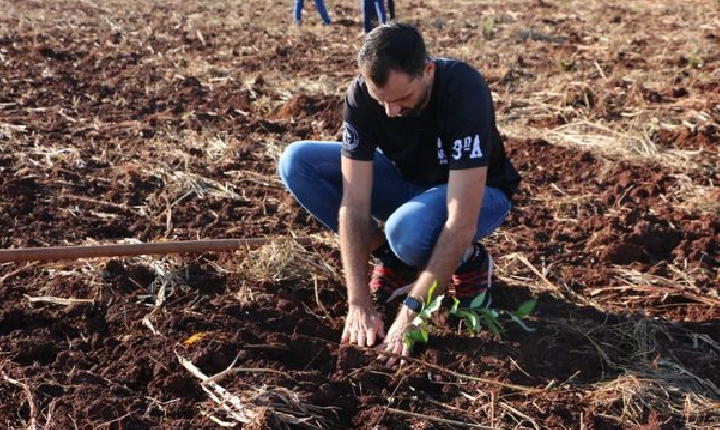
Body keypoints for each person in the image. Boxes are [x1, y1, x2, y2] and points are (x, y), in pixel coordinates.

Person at [278, 23, 520, 366]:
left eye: (403, 99)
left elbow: (460, 218)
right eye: (382, 102)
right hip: (408, 184)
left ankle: (468, 260)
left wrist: (413, 311)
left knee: (407, 230)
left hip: (478, 194)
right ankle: (392, 259)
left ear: (428, 70)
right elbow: (354, 205)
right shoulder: (362, 97)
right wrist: (358, 300)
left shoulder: (463, 90)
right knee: (297, 163)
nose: (391, 111)